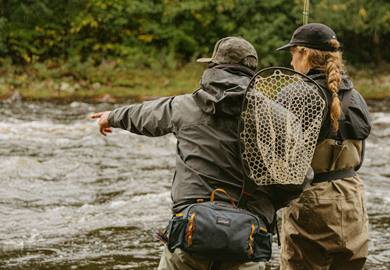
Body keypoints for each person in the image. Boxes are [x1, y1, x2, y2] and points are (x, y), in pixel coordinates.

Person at [90, 37, 275, 270]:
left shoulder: (185, 107)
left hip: (190, 236)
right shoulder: (275, 116)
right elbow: (299, 178)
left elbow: (146, 115)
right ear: (252, 73)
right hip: (245, 242)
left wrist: (112, 116)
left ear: (213, 68)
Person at [276, 23, 370, 270]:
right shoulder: (356, 97)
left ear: (305, 53)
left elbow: (276, 159)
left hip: (310, 202)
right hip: (352, 201)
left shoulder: (293, 95)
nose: (291, 61)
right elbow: (359, 158)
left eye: (293, 53)